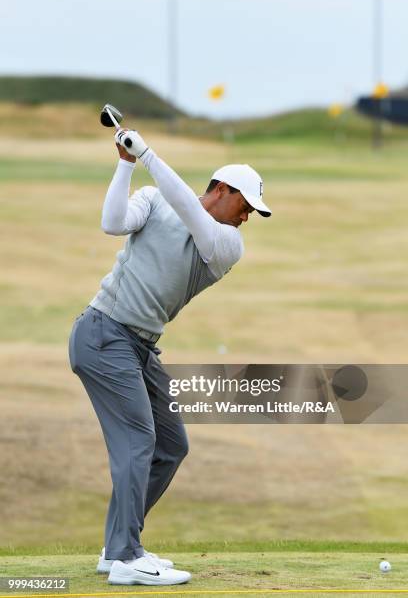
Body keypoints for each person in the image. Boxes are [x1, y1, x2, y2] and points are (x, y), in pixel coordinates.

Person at [68, 126, 271, 586]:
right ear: (221, 190)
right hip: (103, 334)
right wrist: (125, 162)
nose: (246, 218)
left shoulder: (225, 246)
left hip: (138, 345)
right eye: (245, 207)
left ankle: (117, 545)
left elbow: (188, 211)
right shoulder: (154, 201)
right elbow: (112, 222)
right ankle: (125, 556)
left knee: (171, 445)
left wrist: (148, 155)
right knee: (139, 441)